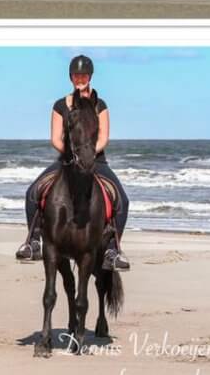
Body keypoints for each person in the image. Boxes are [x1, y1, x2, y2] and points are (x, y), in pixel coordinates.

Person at [15, 55, 131, 271]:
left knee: (123, 200)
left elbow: (104, 137)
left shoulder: (100, 105)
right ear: (71, 77)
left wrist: (87, 155)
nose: (80, 79)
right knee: (32, 193)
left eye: (84, 75)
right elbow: (55, 138)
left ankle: (113, 250)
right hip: (67, 161)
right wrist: (73, 155)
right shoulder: (61, 105)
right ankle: (33, 241)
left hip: (96, 161)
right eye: (77, 75)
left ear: (90, 76)